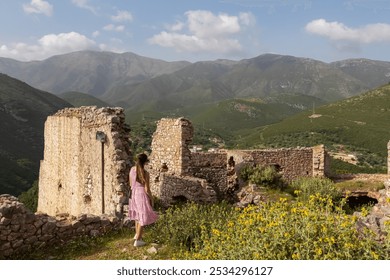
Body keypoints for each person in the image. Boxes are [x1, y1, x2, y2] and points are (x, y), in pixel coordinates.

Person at [128, 153, 158, 247]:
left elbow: (130, 183)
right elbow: (147, 189)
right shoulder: (145, 173)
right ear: (145, 162)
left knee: (137, 215)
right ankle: (138, 240)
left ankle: (137, 235)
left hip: (134, 193)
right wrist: (151, 198)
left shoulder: (132, 169)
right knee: (142, 216)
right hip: (141, 194)